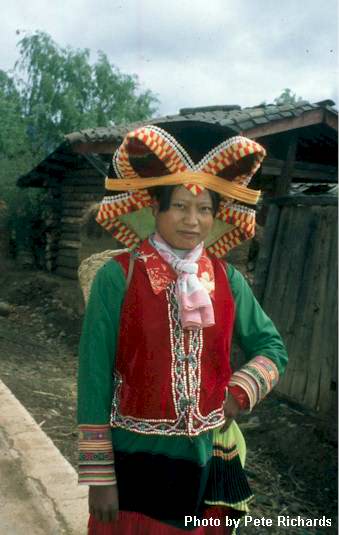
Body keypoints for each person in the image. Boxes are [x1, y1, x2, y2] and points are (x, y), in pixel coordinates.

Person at [77, 122, 288, 535]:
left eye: (205, 209)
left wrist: (237, 393)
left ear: (216, 214)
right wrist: (99, 476)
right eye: (179, 206)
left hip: (207, 460)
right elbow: (93, 378)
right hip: (135, 457)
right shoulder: (118, 277)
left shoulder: (228, 282)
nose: (193, 221)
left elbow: (272, 348)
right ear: (154, 209)